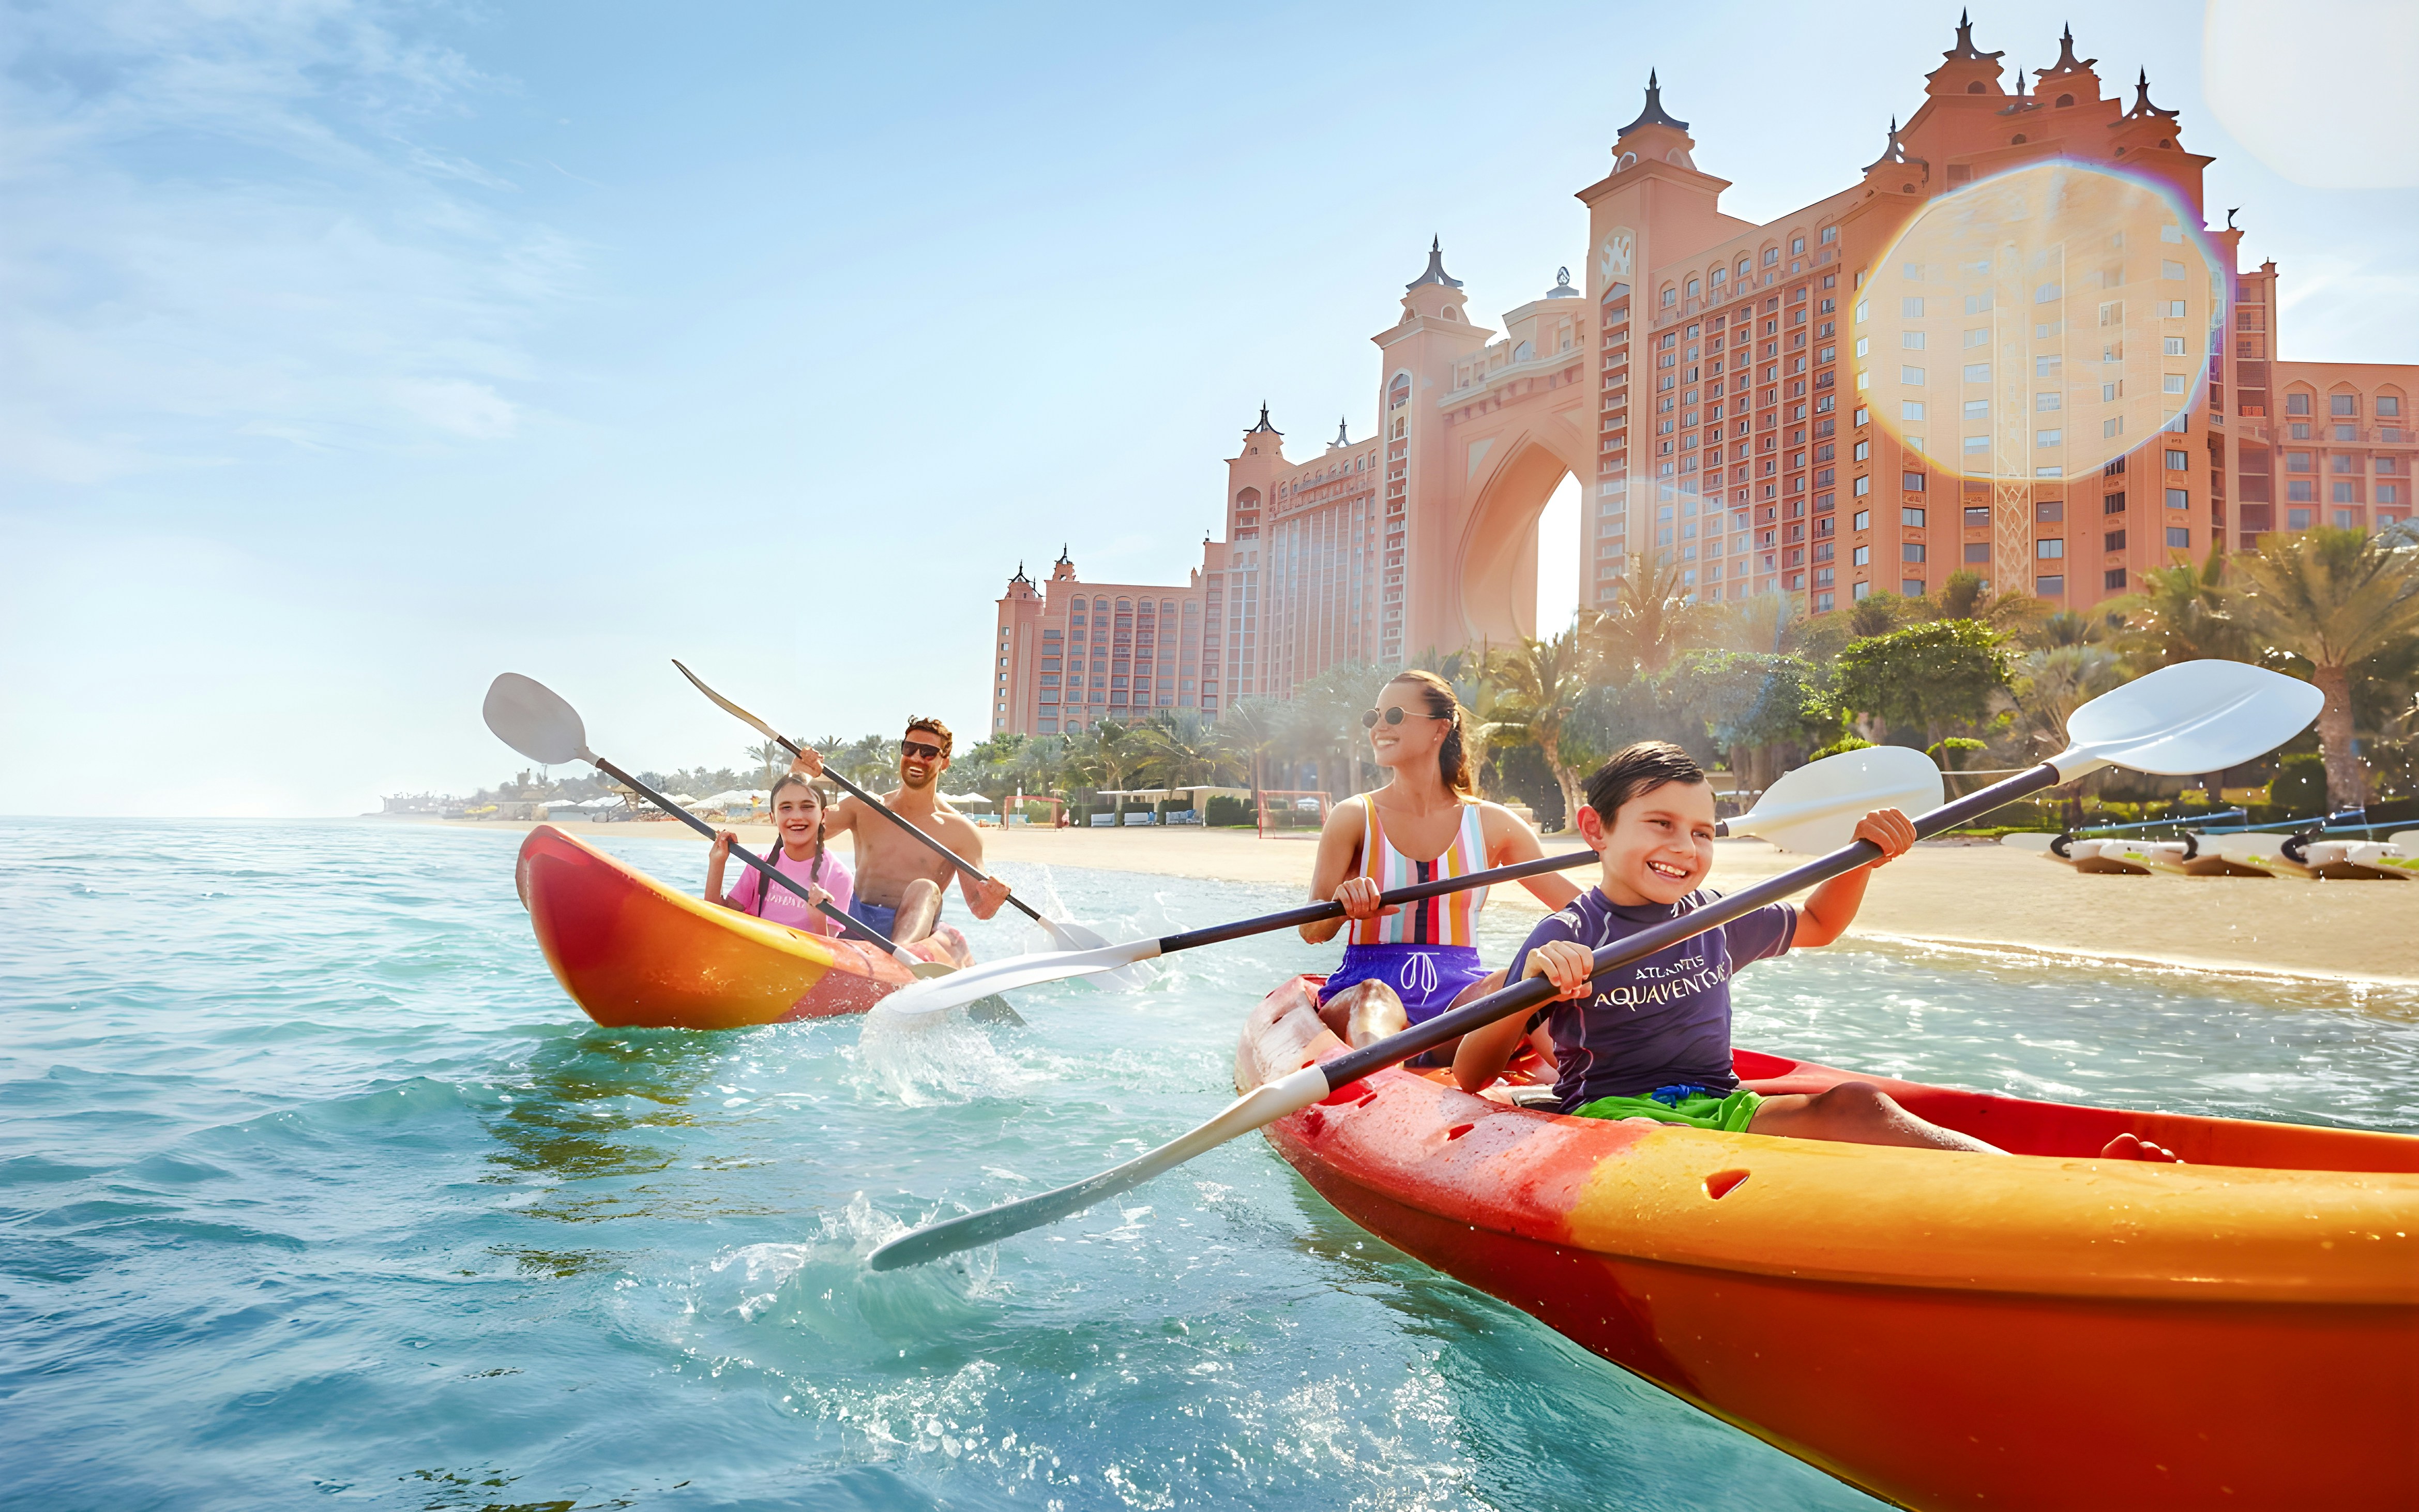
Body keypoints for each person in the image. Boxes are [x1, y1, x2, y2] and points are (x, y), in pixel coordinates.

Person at [1451, 739, 2015, 1156]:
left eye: (1701, 831)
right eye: (1661, 823)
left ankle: (2016, 1176)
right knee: (1660, 1141)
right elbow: (1473, 1074)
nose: (1684, 847)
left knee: (1856, 1103)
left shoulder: (1714, 917)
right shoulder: (1567, 934)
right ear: (1596, 829)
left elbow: (1819, 922)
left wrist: (1861, 858)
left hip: (1724, 1105)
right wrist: (1529, 989)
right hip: (1613, 1113)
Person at [1302, 669, 1582, 1056]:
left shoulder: (1493, 825)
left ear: (1439, 730)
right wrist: (1343, 906)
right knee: (1375, 997)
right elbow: (1313, 930)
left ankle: (1587, 1093)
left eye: (1395, 715)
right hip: (1365, 988)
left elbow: (1581, 911)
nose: (1379, 727)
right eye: (1374, 717)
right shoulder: (1354, 817)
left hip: (1458, 1000)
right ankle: (1382, 1085)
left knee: (1521, 982)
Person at [785, 716, 1011, 947]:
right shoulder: (866, 806)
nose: (916, 758)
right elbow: (798, 830)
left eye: (928, 753)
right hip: (852, 915)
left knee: (926, 888)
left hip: (907, 927)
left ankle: (898, 956)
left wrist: (993, 897)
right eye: (910, 749)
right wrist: (799, 775)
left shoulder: (960, 831)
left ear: (944, 763)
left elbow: (980, 910)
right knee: (826, 872)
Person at [704, 773, 853, 936]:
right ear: (773, 817)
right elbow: (716, 920)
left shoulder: (839, 876)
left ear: (823, 816)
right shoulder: (760, 866)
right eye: (786, 808)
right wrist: (717, 863)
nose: (796, 817)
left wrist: (819, 919)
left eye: (807, 807)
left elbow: (827, 955)